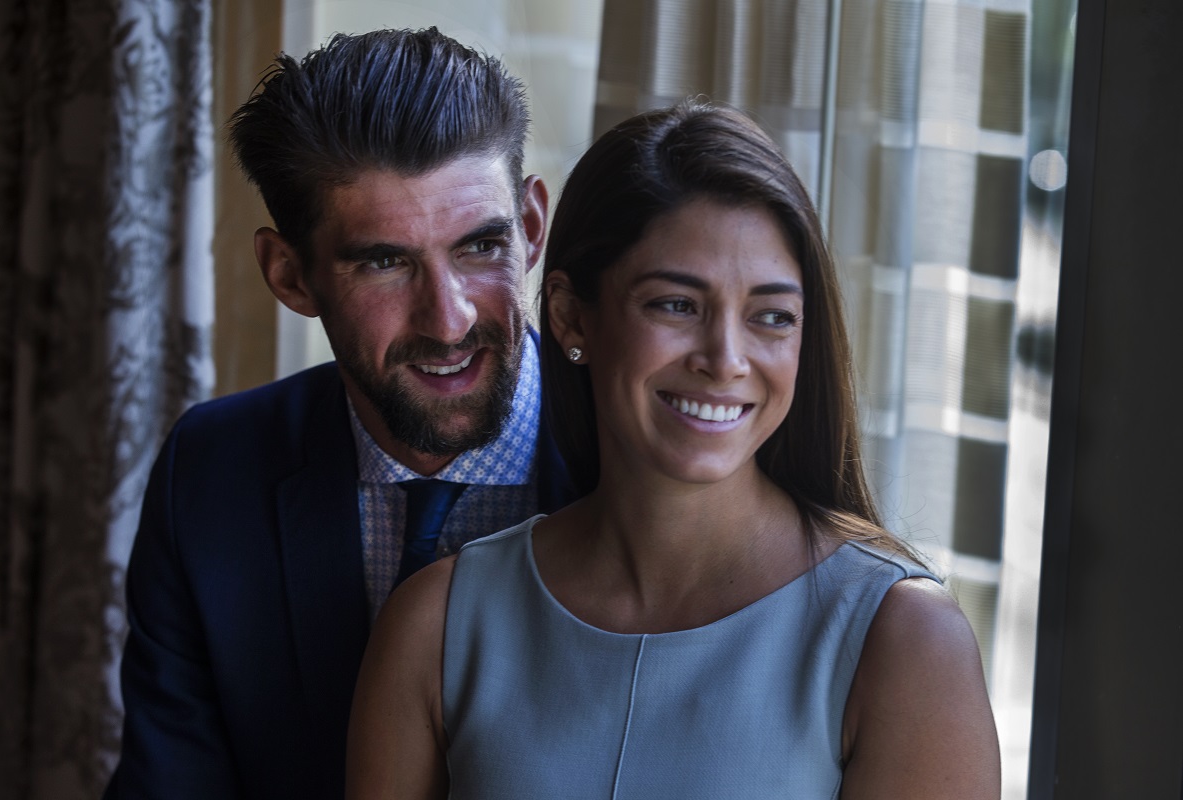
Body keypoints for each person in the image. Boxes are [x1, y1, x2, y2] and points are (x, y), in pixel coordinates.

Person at [346, 101, 1001, 798]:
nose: (725, 360)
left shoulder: (902, 640)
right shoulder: (435, 626)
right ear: (571, 316)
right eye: (675, 305)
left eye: (771, 317)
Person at [104, 28, 573, 799]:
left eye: (480, 246)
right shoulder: (214, 471)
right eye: (384, 262)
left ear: (528, 230)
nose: (448, 320)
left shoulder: (639, 459)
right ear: (290, 276)